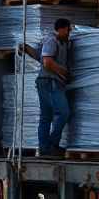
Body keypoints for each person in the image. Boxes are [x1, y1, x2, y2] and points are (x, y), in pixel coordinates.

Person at [21, 18, 73, 158]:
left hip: (48, 82)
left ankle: (45, 148)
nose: (70, 32)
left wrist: (26, 49)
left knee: (46, 116)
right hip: (49, 82)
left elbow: (39, 56)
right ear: (61, 29)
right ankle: (52, 145)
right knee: (63, 112)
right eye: (68, 29)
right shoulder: (52, 41)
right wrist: (63, 73)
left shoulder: (61, 43)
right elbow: (47, 62)